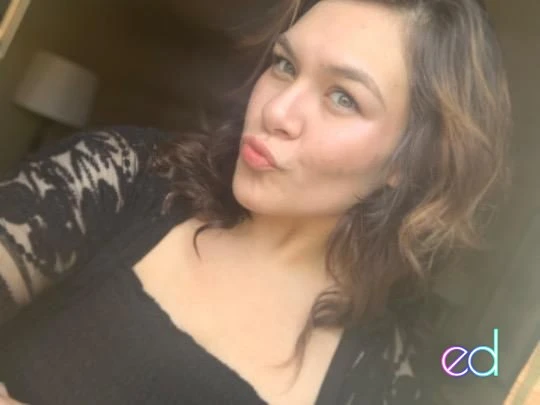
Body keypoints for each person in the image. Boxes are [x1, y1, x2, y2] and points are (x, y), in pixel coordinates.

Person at [0, 0, 510, 404]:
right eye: (285, 65)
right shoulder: (123, 176)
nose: (277, 110)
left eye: (343, 98)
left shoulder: (381, 381)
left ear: (410, 164)